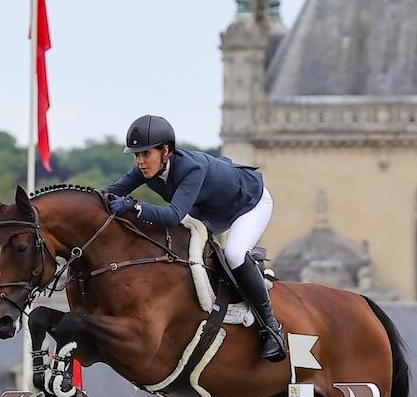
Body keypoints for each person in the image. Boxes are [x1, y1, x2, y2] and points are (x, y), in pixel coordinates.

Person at [103, 114, 286, 362]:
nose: (140, 161)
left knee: (233, 254)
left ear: (165, 151)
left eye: (145, 154)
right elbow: (109, 192)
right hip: (210, 209)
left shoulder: (191, 168)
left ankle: (271, 328)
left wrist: (134, 207)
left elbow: (173, 215)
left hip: (249, 203)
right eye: (136, 155)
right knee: (180, 244)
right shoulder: (144, 169)